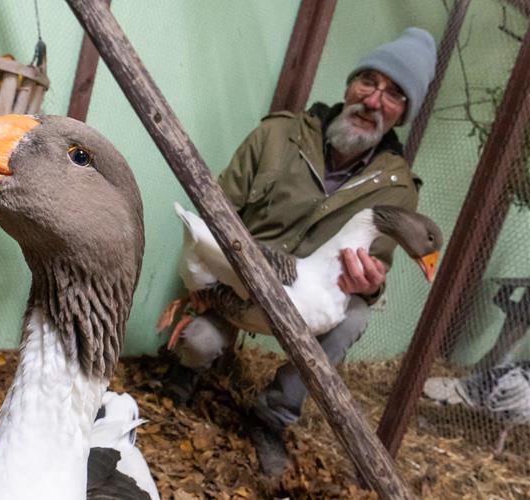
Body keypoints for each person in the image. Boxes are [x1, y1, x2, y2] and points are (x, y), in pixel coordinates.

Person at [162, 27, 437, 475]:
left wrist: (368, 284)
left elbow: (379, 264)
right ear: (351, 85)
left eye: (393, 95)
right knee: (199, 343)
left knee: (356, 315)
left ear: (402, 114)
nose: (373, 100)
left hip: (307, 302)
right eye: (369, 81)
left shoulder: (398, 188)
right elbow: (216, 207)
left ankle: (271, 417)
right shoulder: (279, 134)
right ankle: (187, 371)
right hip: (240, 281)